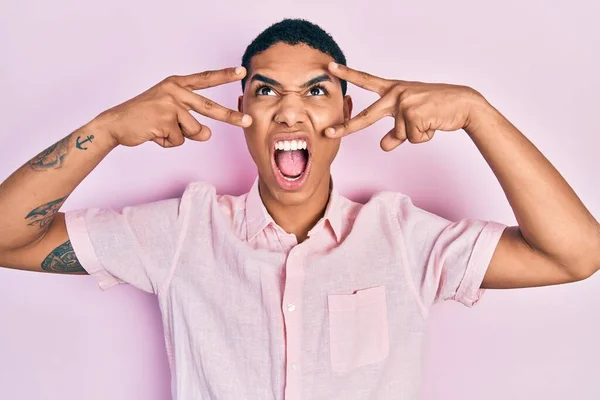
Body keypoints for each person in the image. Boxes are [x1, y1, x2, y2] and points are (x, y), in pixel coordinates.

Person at [0, 18, 598, 400]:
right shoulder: (183, 232)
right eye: (266, 92)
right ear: (241, 112)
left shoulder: (404, 239)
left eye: (316, 90)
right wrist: (105, 130)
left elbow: (576, 254)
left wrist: (476, 112)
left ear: (345, 112)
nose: (289, 113)